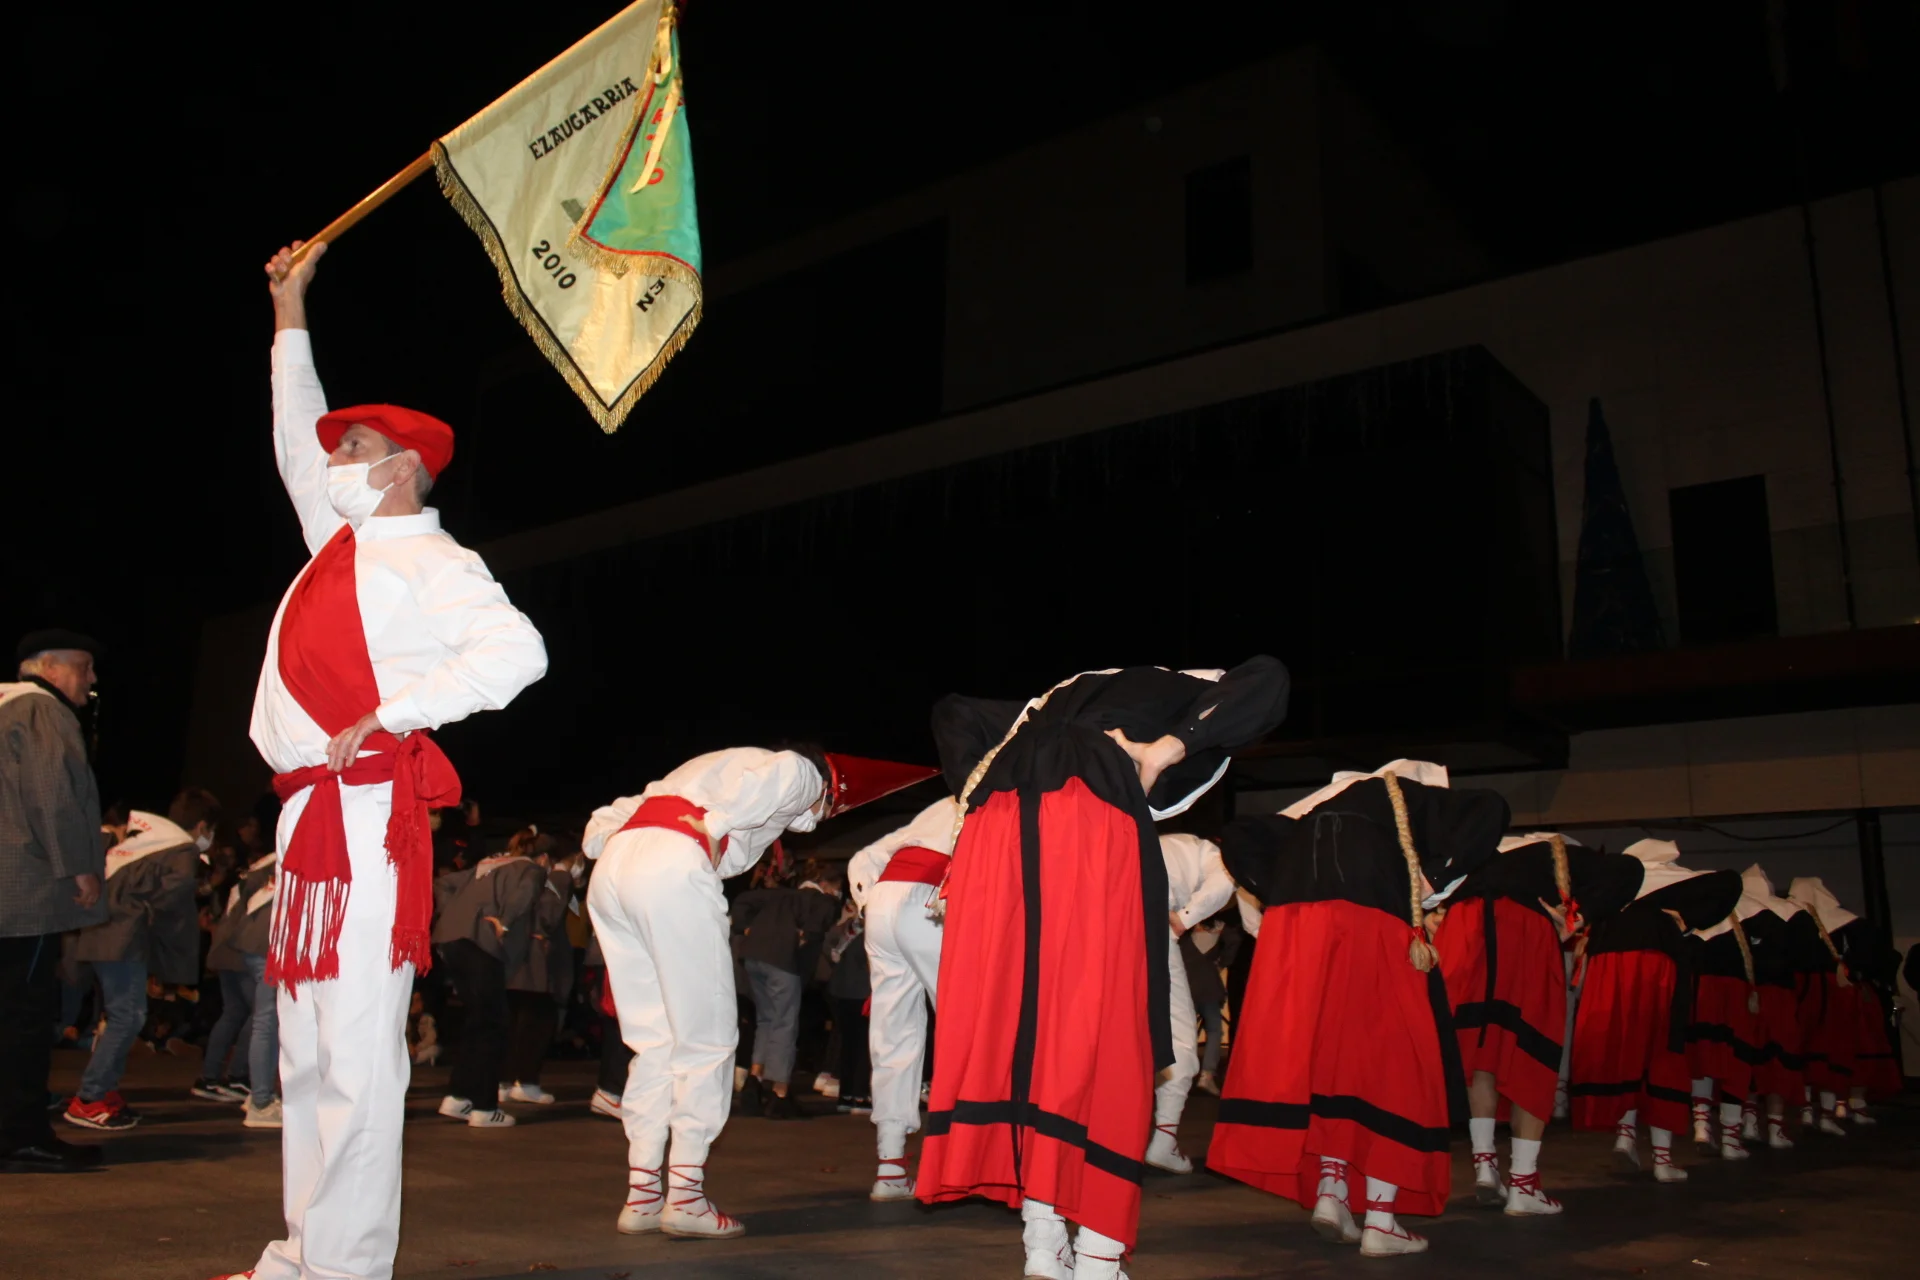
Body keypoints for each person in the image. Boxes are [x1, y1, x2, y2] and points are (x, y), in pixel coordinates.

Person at [219, 241, 548, 1280]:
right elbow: (293, 432)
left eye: (353, 446)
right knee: (309, 1050)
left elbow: (516, 653)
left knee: (357, 1050)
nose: (333, 461)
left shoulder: (435, 558)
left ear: (400, 465)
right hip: (309, 811)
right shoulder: (339, 543)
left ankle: (345, 1268)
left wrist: (392, 713)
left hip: (367, 812)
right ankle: (301, 1253)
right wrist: (290, 309)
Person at [919, 659, 1289, 1280]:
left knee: (1023, 1037)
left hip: (996, 827)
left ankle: (1043, 1243)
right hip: (1089, 813)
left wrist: (976, 788)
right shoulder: (1179, 690)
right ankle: (1098, 1255)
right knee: (1109, 1032)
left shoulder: (1053, 700)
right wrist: (1164, 750)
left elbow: (952, 709)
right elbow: (1267, 679)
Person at [584, 748, 934, 1240]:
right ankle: (685, 1196)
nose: (819, 820)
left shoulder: (709, 767)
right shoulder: (803, 772)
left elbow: (607, 819)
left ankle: (642, 1194)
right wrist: (718, 824)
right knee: (706, 1039)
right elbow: (792, 772)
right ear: (832, 788)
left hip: (617, 868)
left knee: (653, 1039)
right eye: (830, 808)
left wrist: (612, 841)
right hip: (673, 863)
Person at [1209, 760, 1506, 1259]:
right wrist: (1434, 876)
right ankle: (1382, 1220)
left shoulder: (1319, 815)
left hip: (1302, 932)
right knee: (1394, 1065)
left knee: (1331, 1066)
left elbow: (1239, 834)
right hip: (1373, 924)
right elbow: (1491, 808)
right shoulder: (1403, 798)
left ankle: (1333, 1193)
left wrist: (1278, 886)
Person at [1433, 831, 1643, 1214]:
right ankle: (1524, 1183)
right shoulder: (1566, 861)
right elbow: (1629, 870)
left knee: (1481, 1052)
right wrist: (1578, 915)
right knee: (1534, 1053)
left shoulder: (1496, 859)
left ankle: (1485, 1165)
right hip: (1522, 927)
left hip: (1464, 926)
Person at [1568, 839, 1741, 1183]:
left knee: (1623, 1052)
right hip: (1656, 959)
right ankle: (1662, 1160)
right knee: (1662, 1053)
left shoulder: (1613, 890)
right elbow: (1730, 882)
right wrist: (1687, 919)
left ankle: (1625, 1136)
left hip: (1606, 962)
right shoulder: (1674, 883)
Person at [0, 630, 107, 1173]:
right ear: (47, 667)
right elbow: (51, 795)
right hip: (26, 894)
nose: (91, 679)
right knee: (23, 1017)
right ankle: (20, 1137)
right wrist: (79, 866)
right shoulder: (41, 710)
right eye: (83, 667)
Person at [66, 795, 214, 1130]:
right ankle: (89, 1098)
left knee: (120, 1016)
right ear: (202, 826)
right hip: (123, 940)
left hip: (103, 935)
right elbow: (172, 901)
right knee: (127, 1016)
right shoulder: (180, 849)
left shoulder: (142, 842)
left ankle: (104, 1091)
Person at [846, 796, 959, 1199]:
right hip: (932, 898)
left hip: (884, 898)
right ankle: (964, 1158)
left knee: (894, 1032)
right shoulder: (1001, 791)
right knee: (965, 1026)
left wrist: (868, 902)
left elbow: (865, 857)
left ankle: (890, 1166)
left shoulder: (941, 804)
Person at [430, 828, 549, 1127]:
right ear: (544, 858)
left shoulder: (486, 865)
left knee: (478, 1020)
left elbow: (442, 883)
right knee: (493, 1024)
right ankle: (484, 1108)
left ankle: (458, 1097)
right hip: (481, 942)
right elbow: (524, 895)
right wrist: (504, 922)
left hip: (451, 940)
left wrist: (452, 914)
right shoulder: (532, 869)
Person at [1146, 830, 1236, 1174]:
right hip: (1150, 927)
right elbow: (1224, 882)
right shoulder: (1211, 854)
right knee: (1180, 1036)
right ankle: (1165, 1139)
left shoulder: (1167, 842)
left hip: (1099, 926)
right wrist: (1185, 918)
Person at [733, 856, 842, 1118]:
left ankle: (754, 1080)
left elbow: (742, 901)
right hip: (783, 962)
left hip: (754, 958)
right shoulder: (821, 900)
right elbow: (822, 920)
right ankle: (779, 1093)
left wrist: (744, 928)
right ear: (826, 885)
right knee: (784, 1023)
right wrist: (807, 938)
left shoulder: (779, 895)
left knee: (766, 1020)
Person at [502, 833, 571, 1104]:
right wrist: (562, 875)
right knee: (536, 1022)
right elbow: (548, 916)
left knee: (513, 1022)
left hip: (511, 958)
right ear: (545, 858)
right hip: (535, 962)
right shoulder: (548, 877)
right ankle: (526, 1081)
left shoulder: (510, 871)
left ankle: (505, 1080)